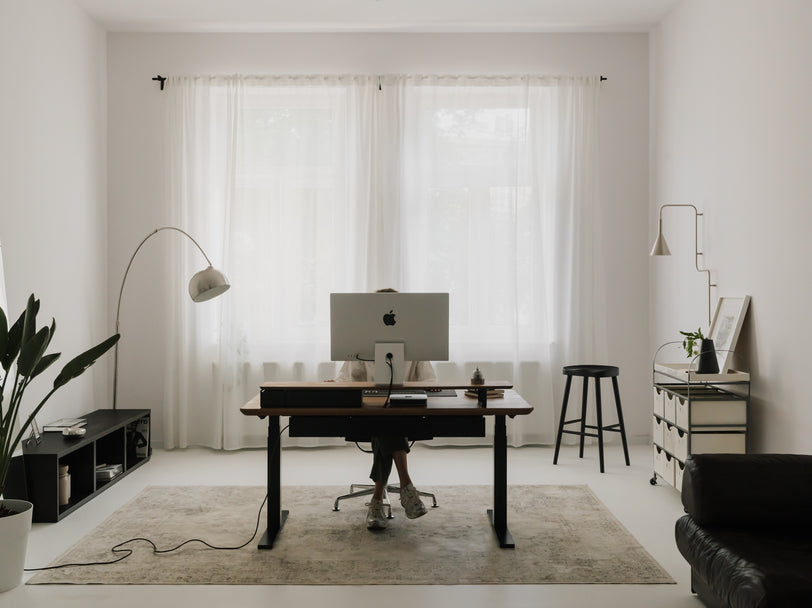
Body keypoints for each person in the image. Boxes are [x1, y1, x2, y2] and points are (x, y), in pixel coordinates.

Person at [335, 288, 436, 530]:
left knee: (389, 421)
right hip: (368, 415)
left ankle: (377, 499)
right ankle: (406, 487)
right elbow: (345, 380)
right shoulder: (361, 345)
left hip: (405, 413)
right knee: (387, 421)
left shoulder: (415, 344)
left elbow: (431, 383)